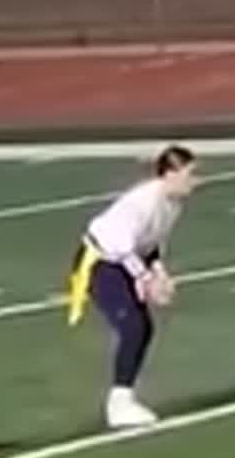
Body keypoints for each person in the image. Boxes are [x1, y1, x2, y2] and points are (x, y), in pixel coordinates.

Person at [67, 144, 199, 429]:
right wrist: (146, 280)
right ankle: (119, 404)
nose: (194, 181)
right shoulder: (142, 203)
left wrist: (159, 272)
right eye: (189, 174)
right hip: (101, 261)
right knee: (134, 326)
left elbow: (150, 243)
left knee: (141, 328)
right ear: (169, 174)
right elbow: (122, 247)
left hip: (123, 260)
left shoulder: (172, 204)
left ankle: (122, 398)